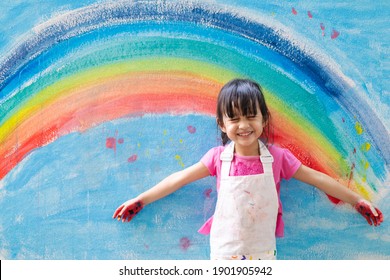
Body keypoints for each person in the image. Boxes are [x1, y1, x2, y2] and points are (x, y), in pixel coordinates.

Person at [113, 78, 383, 260]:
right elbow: (178, 180)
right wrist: (141, 200)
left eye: (251, 115)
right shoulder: (218, 158)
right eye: (234, 118)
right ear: (222, 124)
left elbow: (318, 180)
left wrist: (357, 200)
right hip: (223, 254)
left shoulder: (278, 158)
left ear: (264, 119)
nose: (243, 125)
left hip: (263, 253)